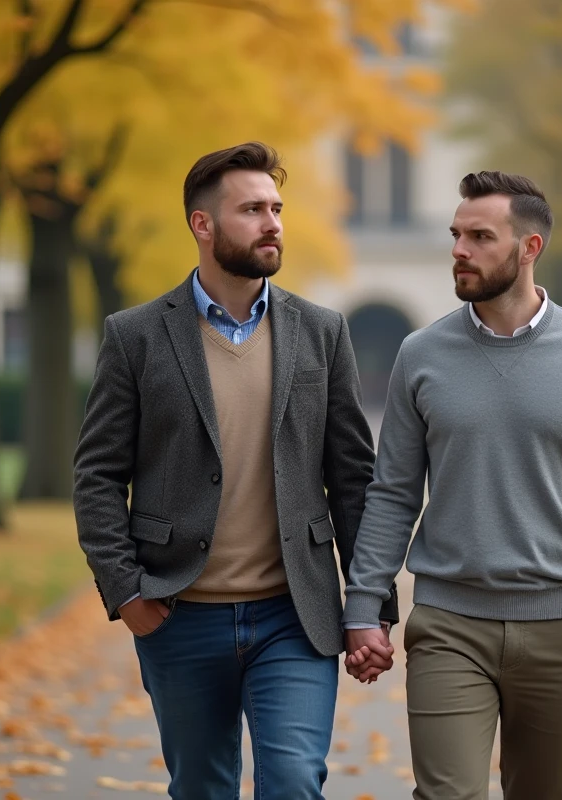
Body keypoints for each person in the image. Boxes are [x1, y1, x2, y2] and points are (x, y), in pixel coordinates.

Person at [72, 141, 397, 800]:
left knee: (293, 784)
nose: (272, 222)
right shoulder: (135, 337)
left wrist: (372, 608)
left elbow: (355, 481)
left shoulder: (321, 331)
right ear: (203, 224)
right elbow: (97, 475)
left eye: (276, 208)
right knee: (202, 788)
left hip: (294, 618)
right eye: (252, 209)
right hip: (178, 614)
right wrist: (125, 591)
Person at [342, 171, 562, 800]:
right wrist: (363, 604)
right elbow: (393, 492)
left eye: (480, 236)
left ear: (529, 248)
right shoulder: (421, 352)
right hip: (448, 624)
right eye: (456, 234)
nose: (459, 249)